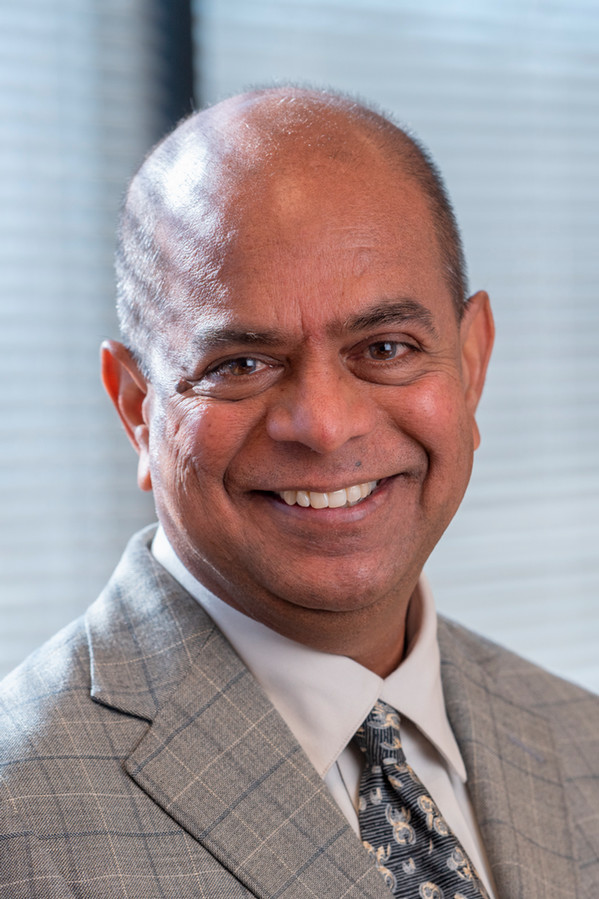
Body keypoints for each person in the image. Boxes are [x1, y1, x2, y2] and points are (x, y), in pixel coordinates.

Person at [0, 87, 597, 899]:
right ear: (138, 408)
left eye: (385, 347)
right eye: (239, 364)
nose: (322, 425)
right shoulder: (20, 814)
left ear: (472, 363)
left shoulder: (580, 741)